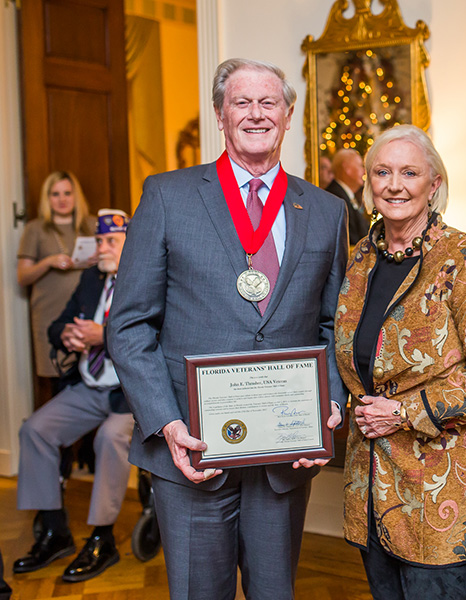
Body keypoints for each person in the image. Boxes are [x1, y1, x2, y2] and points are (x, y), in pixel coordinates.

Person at [106, 58, 348, 600]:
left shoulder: (327, 212)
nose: (256, 114)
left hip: (284, 453)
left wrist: (326, 404)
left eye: (269, 103)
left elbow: (335, 324)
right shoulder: (167, 196)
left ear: (288, 116)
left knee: (273, 592)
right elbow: (128, 324)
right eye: (242, 102)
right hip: (191, 447)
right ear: (220, 114)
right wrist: (166, 422)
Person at [336, 124, 466, 600]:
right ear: (368, 183)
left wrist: (402, 412)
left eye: (409, 172)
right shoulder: (360, 261)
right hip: (371, 485)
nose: (394, 184)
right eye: (382, 172)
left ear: (433, 184)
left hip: (443, 488)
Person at [14, 209, 133, 583]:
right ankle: (55, 531)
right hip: (89, 386)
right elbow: (56, 326)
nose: (102, 248)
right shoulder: (89, 279)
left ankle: (102, 536)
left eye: (110, 241)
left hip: (128, 395)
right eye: (98, 241)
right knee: (35, 429)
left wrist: (105, 336)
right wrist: (66, 334)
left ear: (131, 241)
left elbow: (157, 338)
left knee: (111, 438)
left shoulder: (144, 279)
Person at [17, 171, 96, 396]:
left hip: (88, 312)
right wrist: (48, 262)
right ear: (47, 198)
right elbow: (22, 276)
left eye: (67, 193)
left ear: (76, 196)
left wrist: (98, 260)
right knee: (58, 379)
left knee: (94, 372)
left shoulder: (91, 224)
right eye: (55, 194)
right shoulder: (36, 229)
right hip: (50, 313)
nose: (62, 199)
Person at [326, 148, 369, 244]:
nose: (364, 172)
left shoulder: (345, 195)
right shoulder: (335, 197)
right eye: (360, 166)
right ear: (347, 168)